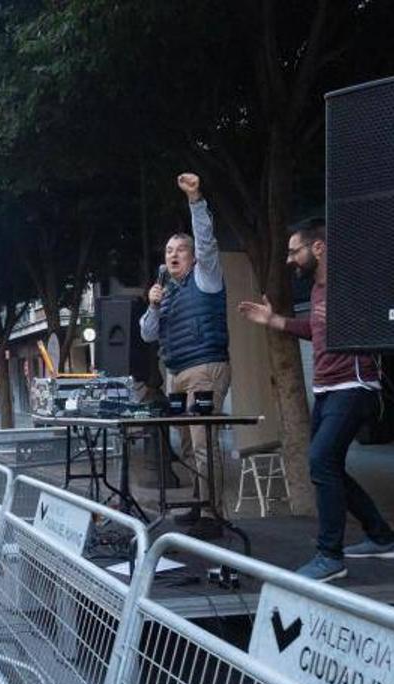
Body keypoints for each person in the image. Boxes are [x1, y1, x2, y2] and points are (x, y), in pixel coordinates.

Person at [239, 220, 394, 581]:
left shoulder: (351, 283)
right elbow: (316, 329)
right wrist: (274, 320)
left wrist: (352, 318)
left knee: (321, 461)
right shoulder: (316, 290)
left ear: (319, 248)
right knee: (328, 467)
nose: (289, 259)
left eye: (295, 251)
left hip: (354, 386)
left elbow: (381, 320)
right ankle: (382, 536)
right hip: (327, 388)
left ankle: (330, 556)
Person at [141, 172, 230, 539]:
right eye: (168, 251)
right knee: (187, 444)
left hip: (204, 367)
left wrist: (195, 200)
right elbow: (147, 334)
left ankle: (214, 512)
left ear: (193, 258)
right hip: (175, 373)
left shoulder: (206, 277)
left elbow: (207, 242)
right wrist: (152, 306)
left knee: (204, 440)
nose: (172, 255)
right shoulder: (165, 292)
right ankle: (198, 501)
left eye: (179, 250)